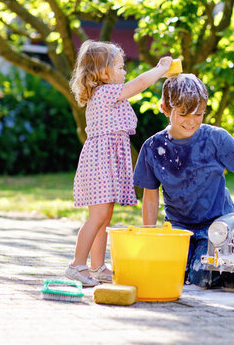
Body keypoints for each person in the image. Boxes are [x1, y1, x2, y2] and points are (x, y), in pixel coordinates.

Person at [133, 73, 234, 288]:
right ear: (165, 109)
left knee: (200, 278)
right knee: (172, 273)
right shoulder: (153, 147)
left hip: (217, 227)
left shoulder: (215, 138)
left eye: (199, 114)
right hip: (178, 228)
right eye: (184, 113)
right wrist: (149, 235)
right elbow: (150, 196)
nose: (192, 121)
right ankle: (216, 263)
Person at [67, 40, 172, 286]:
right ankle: (76, 265)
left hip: (106, 159)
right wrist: (160, 69)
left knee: (104, 216)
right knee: (98, 215)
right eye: (120, 66)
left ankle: (96, 266)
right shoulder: (105, 93)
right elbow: (140, 84)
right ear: (104, 72)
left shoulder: (106, 94)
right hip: (100, 160)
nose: (125, 72)